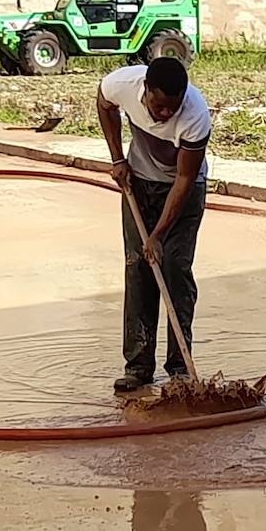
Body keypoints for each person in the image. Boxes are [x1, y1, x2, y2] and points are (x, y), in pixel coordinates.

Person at [96, 57, 212, 392]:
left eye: (171, 109)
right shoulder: (122, 84)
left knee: (175, 268)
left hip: (182, 191)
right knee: (138, 268)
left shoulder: (195, 115)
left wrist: (158, 235)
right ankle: (138, 367)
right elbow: (103, 104)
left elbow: (185, 178)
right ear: (145, 90)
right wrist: (118, 158)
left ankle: (180, 368)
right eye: (159, 106)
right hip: (139, 184)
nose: (164, 114)